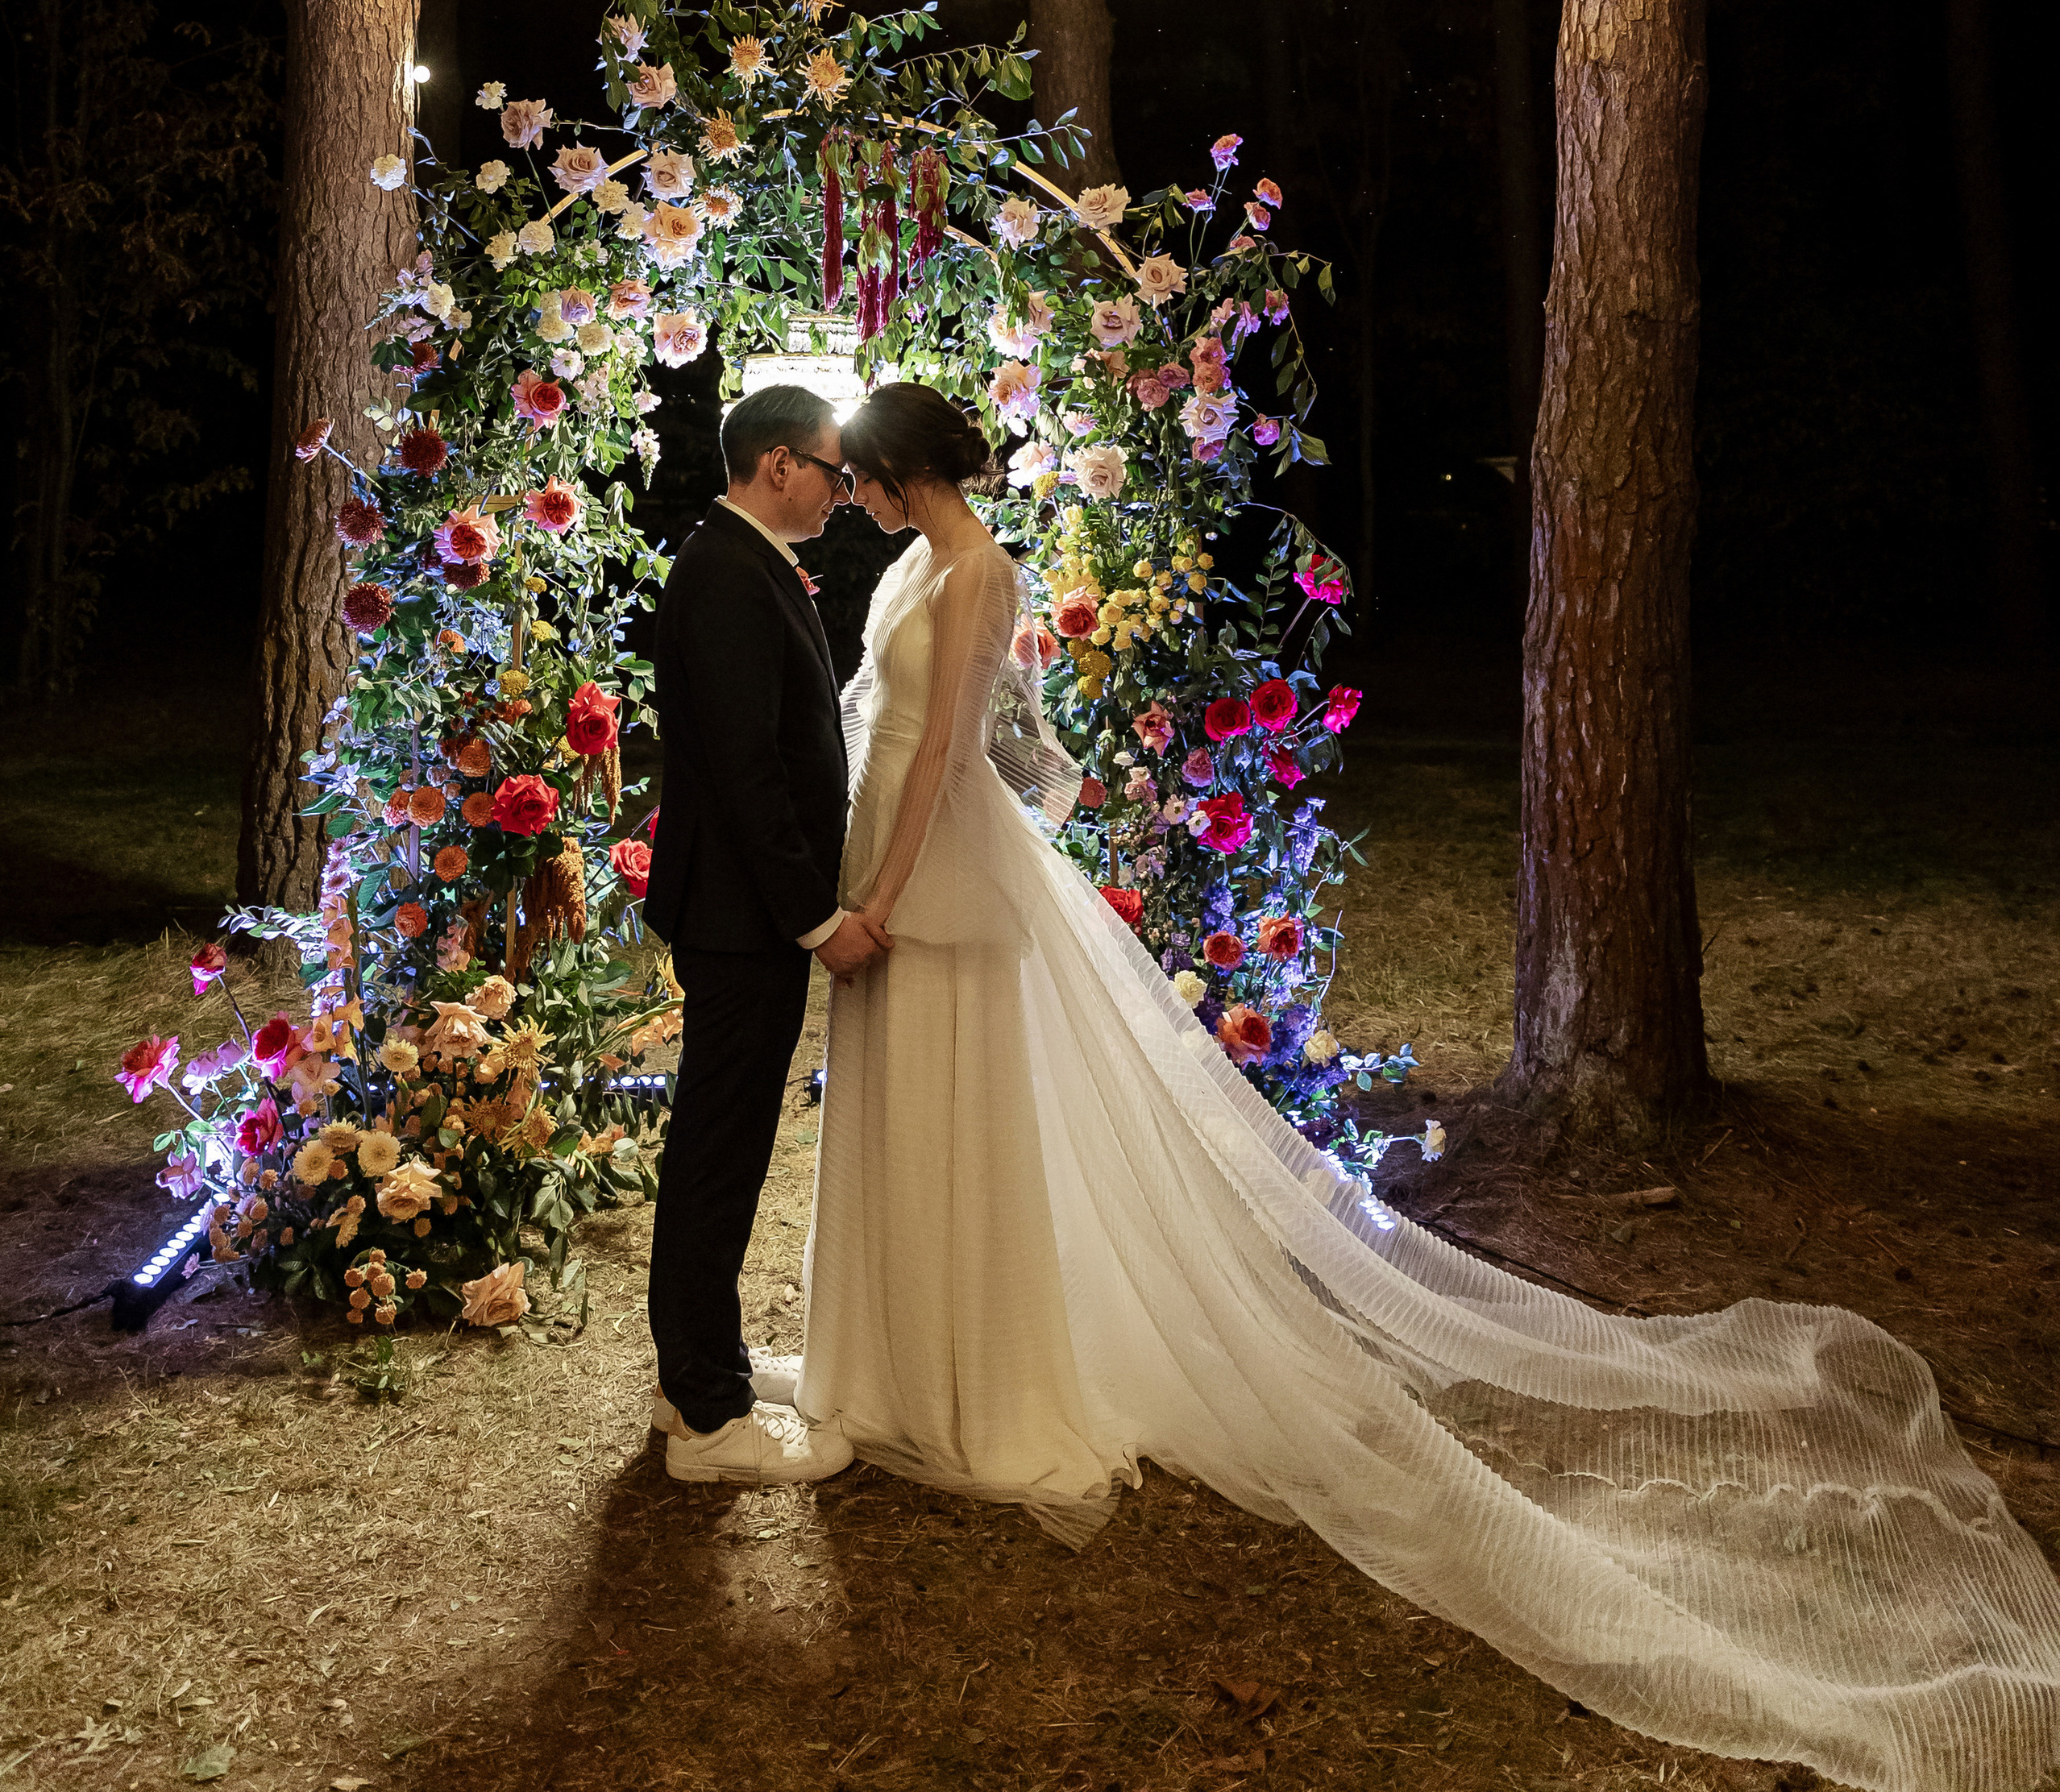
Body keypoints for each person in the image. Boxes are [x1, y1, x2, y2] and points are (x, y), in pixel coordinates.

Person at [781, 380, 2060, 1792]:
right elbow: (879, 730)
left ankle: (972, 1375)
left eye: (867, 475)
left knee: (966, 1109)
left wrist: (886, 888)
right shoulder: (907, 561)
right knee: (901, 1101)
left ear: (902, 472)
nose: (858, 495)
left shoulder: (981, 566)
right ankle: (882, 1353)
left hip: (938, 862)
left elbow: (967, 754)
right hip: (883, 850)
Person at [642, 383, 888, 1486]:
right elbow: (747, 775)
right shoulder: (727, 575)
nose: (842, 494)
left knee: (725, 1144)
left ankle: (705, 1368)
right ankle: (705, 1417)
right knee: (718, 1150)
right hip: (745, 918)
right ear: (779, 464)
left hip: (742, 916)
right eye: (835, 473)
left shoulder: (737, 561)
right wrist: (816, 917)